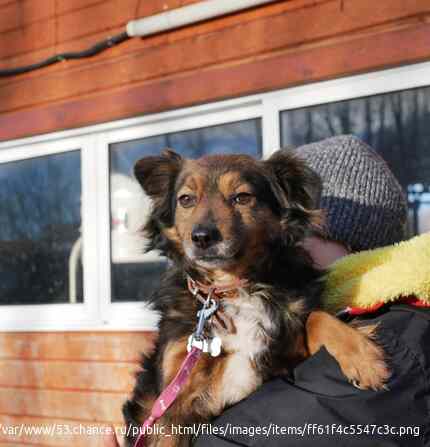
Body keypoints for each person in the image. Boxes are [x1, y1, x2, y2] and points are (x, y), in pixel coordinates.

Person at [104, 136, 430, 446]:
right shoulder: (193, 308)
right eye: (187, 200)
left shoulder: (397, 333)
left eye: (240, 197)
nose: (204, 228)